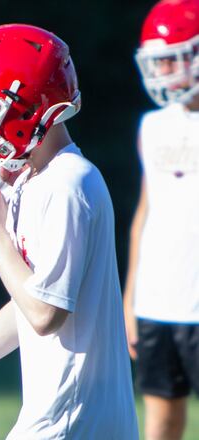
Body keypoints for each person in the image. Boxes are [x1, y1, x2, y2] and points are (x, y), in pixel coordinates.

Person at [0, 24, 139, 439]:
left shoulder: (67, 184)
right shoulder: (35, 182)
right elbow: (28, 303)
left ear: (24, 107)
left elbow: (45, 315)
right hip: (63, 419)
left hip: (71, 423)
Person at [126, 1, 199, 438]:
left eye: (175, 57)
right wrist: (131, 296)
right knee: (161, 419)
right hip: (159, 300)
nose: (165, 70)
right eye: (159, 60)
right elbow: (146, 211)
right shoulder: (152, 125)